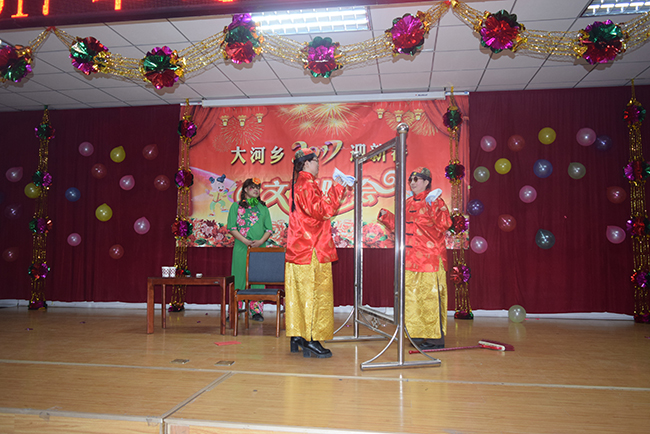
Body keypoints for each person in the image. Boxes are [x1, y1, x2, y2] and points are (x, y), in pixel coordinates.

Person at [285, 148, 351, 358]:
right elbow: (323, 211)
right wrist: (338, 186)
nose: (318, 165)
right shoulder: (307, 184)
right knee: (315, 295)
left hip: (300, 249)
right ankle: (311, 338)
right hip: (312, 249)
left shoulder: (299, 184)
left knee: (300, 294)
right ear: (306, 163)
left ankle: (298, 334)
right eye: (316, 161)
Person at [378, 167, 452, 350]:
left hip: (430, 260)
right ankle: (417, 334)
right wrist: (387, 217)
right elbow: (401, 227)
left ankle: (435, 339)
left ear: (426, 182)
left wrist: (433, 205)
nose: (412, 183)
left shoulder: (435, 200)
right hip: (410, 259)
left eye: (416, 179)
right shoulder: (408, 202)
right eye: (411, 180)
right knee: (412, 299)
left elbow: (445, 224)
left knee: (430, 299)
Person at [227, 178, 273, 322]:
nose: (256, 190)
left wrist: (260, 242)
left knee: (258, 278)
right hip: (241, 247)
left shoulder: (263, 208)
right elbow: (232, 228)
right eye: (253, 187)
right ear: (245, 190)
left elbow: (269, 229)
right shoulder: (236, 206)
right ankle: (235, 310)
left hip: (260, 249)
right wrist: (245, 241)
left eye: (258, 188)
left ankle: (256, 311)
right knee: (239, 277)